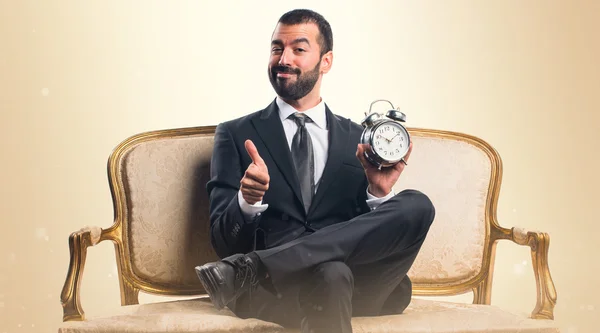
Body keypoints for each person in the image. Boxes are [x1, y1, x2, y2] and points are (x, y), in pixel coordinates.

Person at [196, 8, 435, 333]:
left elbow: (374, 234)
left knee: (418, 204)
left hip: (360, 285)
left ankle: (254, 266)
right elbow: (222, 243)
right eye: (277, 47)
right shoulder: (236, 134)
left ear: (326, 61)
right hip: (279, 291)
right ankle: (256, 267)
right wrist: (245, 202)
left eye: (299, 48)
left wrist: (378, 194)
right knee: (331, 275)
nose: (283, 58)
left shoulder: (358, 138)